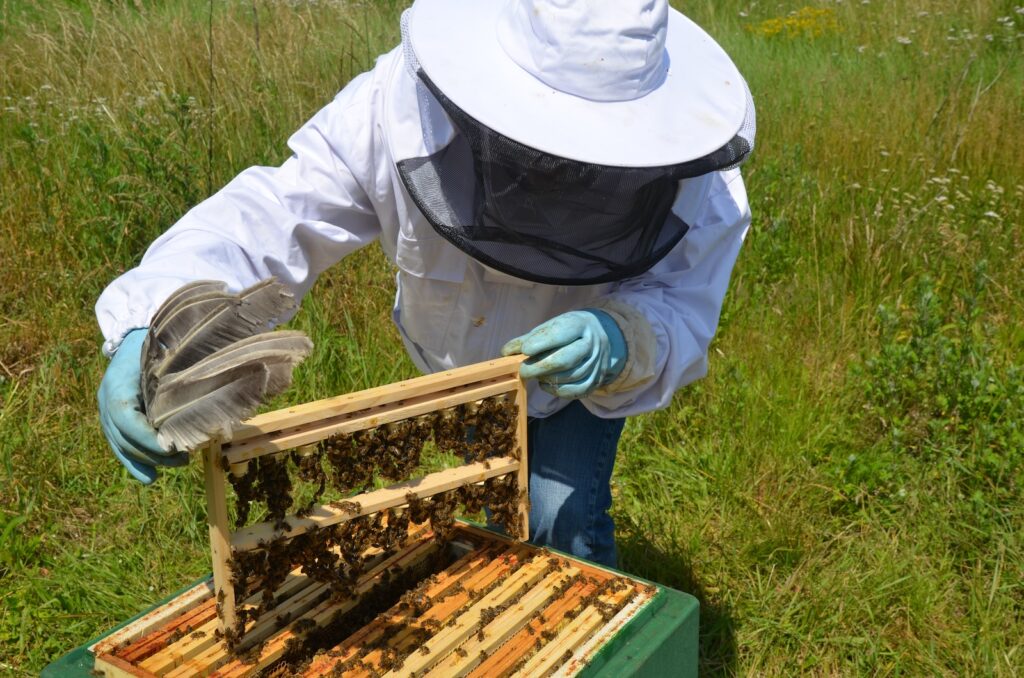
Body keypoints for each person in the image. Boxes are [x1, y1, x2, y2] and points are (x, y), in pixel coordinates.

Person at [95, 0, 755, 568]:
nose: (554, 183)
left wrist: (623, 337)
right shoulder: (395, 108)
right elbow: (279, 213)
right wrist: (154, 323)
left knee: (564, 516)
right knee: (478, 504)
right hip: (452, 365)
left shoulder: (699, 180)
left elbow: (682, 305)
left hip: (582, 385)